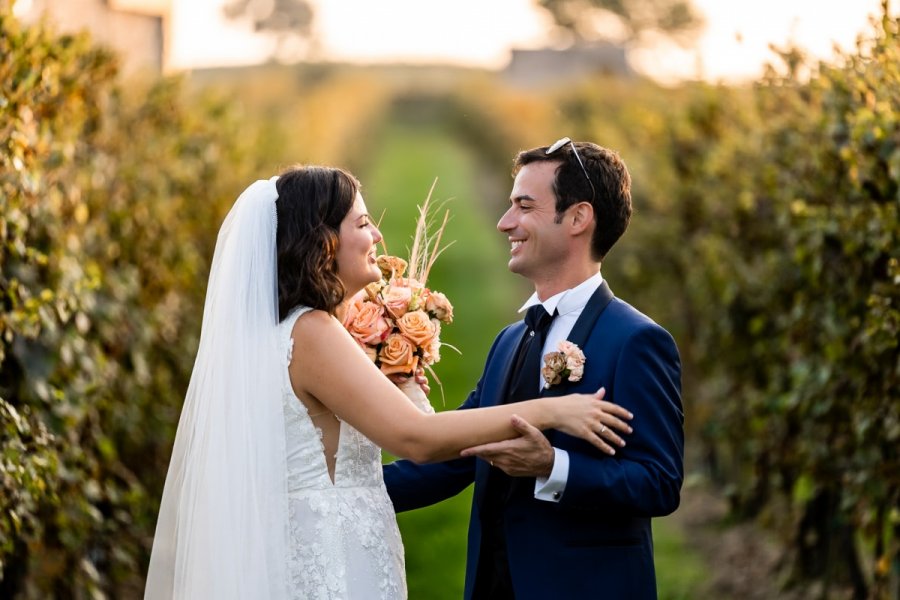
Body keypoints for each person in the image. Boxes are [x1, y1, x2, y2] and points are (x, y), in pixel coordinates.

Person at [143, 165, 635, 599]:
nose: (377, 235)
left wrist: (399, 371)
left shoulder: (296, 333)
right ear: (323, 241)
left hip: (337, 547)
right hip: (328, 561)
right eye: (361, 223)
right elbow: (416, 439)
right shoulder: (311, 332)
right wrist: (553, 410)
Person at [383, 139, 684, 599]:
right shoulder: (509, 341)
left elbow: (659, 483)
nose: (505, 223)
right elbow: (456, 455)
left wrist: (553, 466)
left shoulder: (637, 341)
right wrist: (339, 497)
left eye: (524, 206)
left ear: (579, 218)